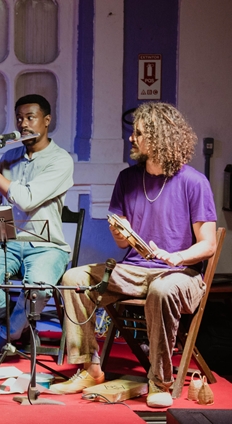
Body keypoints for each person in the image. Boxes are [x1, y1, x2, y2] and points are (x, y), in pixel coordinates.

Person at [50, 102, 216, 408]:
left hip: (180, 276)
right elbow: (122, 244)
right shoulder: (127, 179)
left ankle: (160, 380)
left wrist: (177, 257)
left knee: (162, 289)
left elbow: (208, 245)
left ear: (158, 137)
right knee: (73, 278)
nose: (131, 139)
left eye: (138, 133)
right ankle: (90, 368)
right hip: (134, 271)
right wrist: (120, 234)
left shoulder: (194, 182)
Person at [0, 94, 74, 354]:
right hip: (8, 243)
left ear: (46, 121)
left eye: (30, 117)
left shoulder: (61, 160)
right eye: (19, 118)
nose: (23, 124)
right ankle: (19, 326)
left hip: (47, 245)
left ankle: (7, 333)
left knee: (39, 289)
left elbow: (26, 200)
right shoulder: (10, 157)